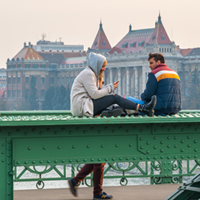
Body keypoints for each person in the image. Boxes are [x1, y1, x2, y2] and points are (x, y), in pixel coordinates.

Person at [69, 52, 156, 199]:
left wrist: (103, 84)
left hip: (86, 107)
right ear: (97, 64)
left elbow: (95, 94)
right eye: (103, 67)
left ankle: (83, 184)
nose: (104, 69)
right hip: (84, 107)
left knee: (99, 157)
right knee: (114, 98)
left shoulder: (92, 74)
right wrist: (110, 88)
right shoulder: (88, 73)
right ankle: (141, 109)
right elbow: (95, 95)